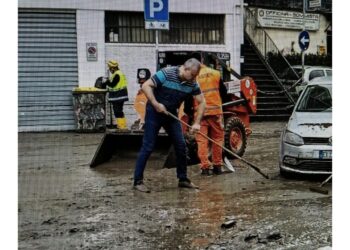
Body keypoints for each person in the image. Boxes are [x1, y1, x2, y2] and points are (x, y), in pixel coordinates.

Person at [133, 58, 206, 192]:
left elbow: (202, 102)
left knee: (181, 145)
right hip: (154, 112)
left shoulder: (192, 83)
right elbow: (146, 86)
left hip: (171, 113)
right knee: (148, 146)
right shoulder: (166, 73)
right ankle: (138, 181)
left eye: (196, 76)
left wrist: (196, 123)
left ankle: (183, 179)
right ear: (185, 69)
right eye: (193, 75)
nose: (194, 78)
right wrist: (156, 104)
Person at [193, 63, 229, 175]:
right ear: (202, 61)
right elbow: (224, 92)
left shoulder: (193, 76)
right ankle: (218, 166)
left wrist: (189, 113)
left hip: (200, 114)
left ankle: (205, 168)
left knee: (202, 141)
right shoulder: (216, 73)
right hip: (215, 112)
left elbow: (189, 96)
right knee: (218, 138)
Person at [105, 60, 128, 129]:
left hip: (118, 96)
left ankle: (121, 126)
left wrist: (107, 82)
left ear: (113, 68)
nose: (109, 70)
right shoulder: (119, 73)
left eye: (110, 68)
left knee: (117, 111)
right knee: (120, 111)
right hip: (120, 95)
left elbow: (112, 85)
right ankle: (122, 125)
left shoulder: (117, 74)